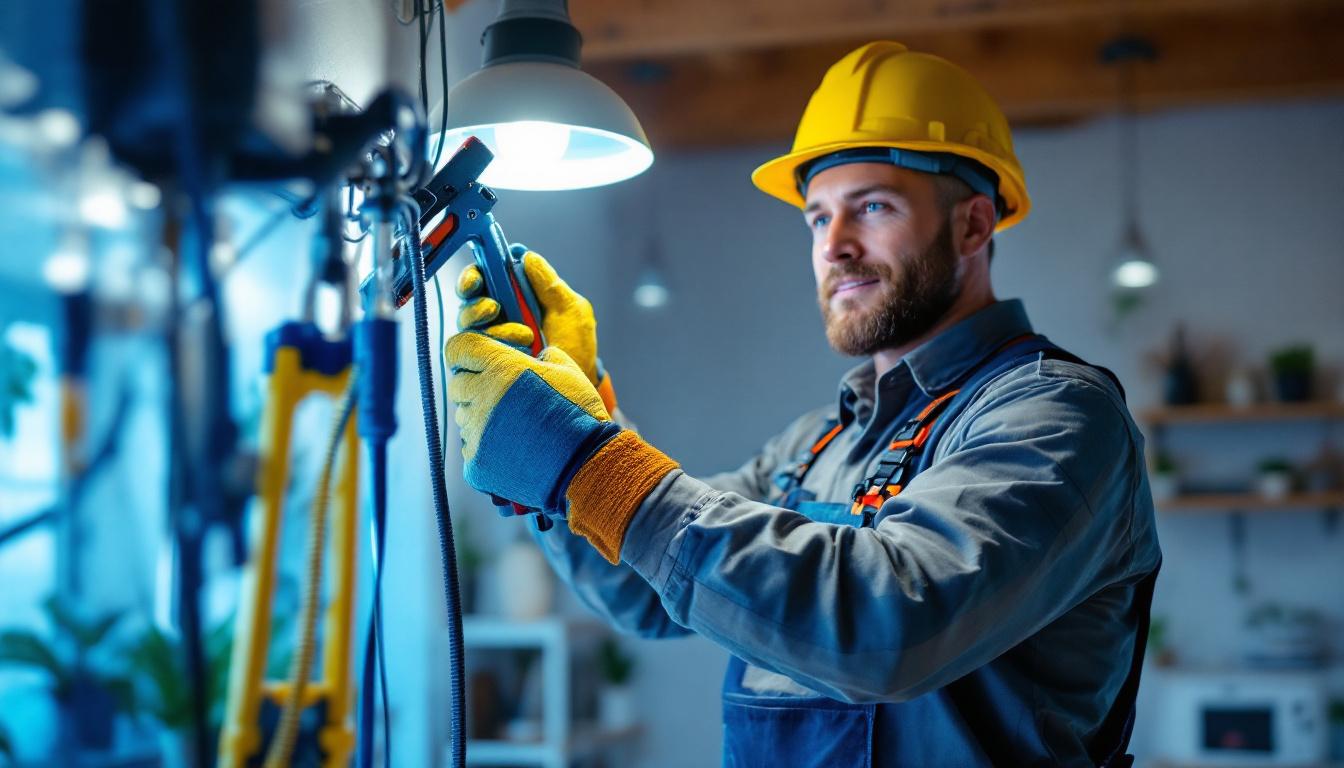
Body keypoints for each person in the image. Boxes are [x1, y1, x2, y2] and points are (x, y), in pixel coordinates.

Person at [444, 41, 1162, 767]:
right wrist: (581, 413)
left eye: (872, 207)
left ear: (974, 225)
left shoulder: (1057, 417)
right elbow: (639, 590)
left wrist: (591, 465)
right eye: (818, 219)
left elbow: (890, 627)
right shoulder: (817, 446)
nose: (835, 246)